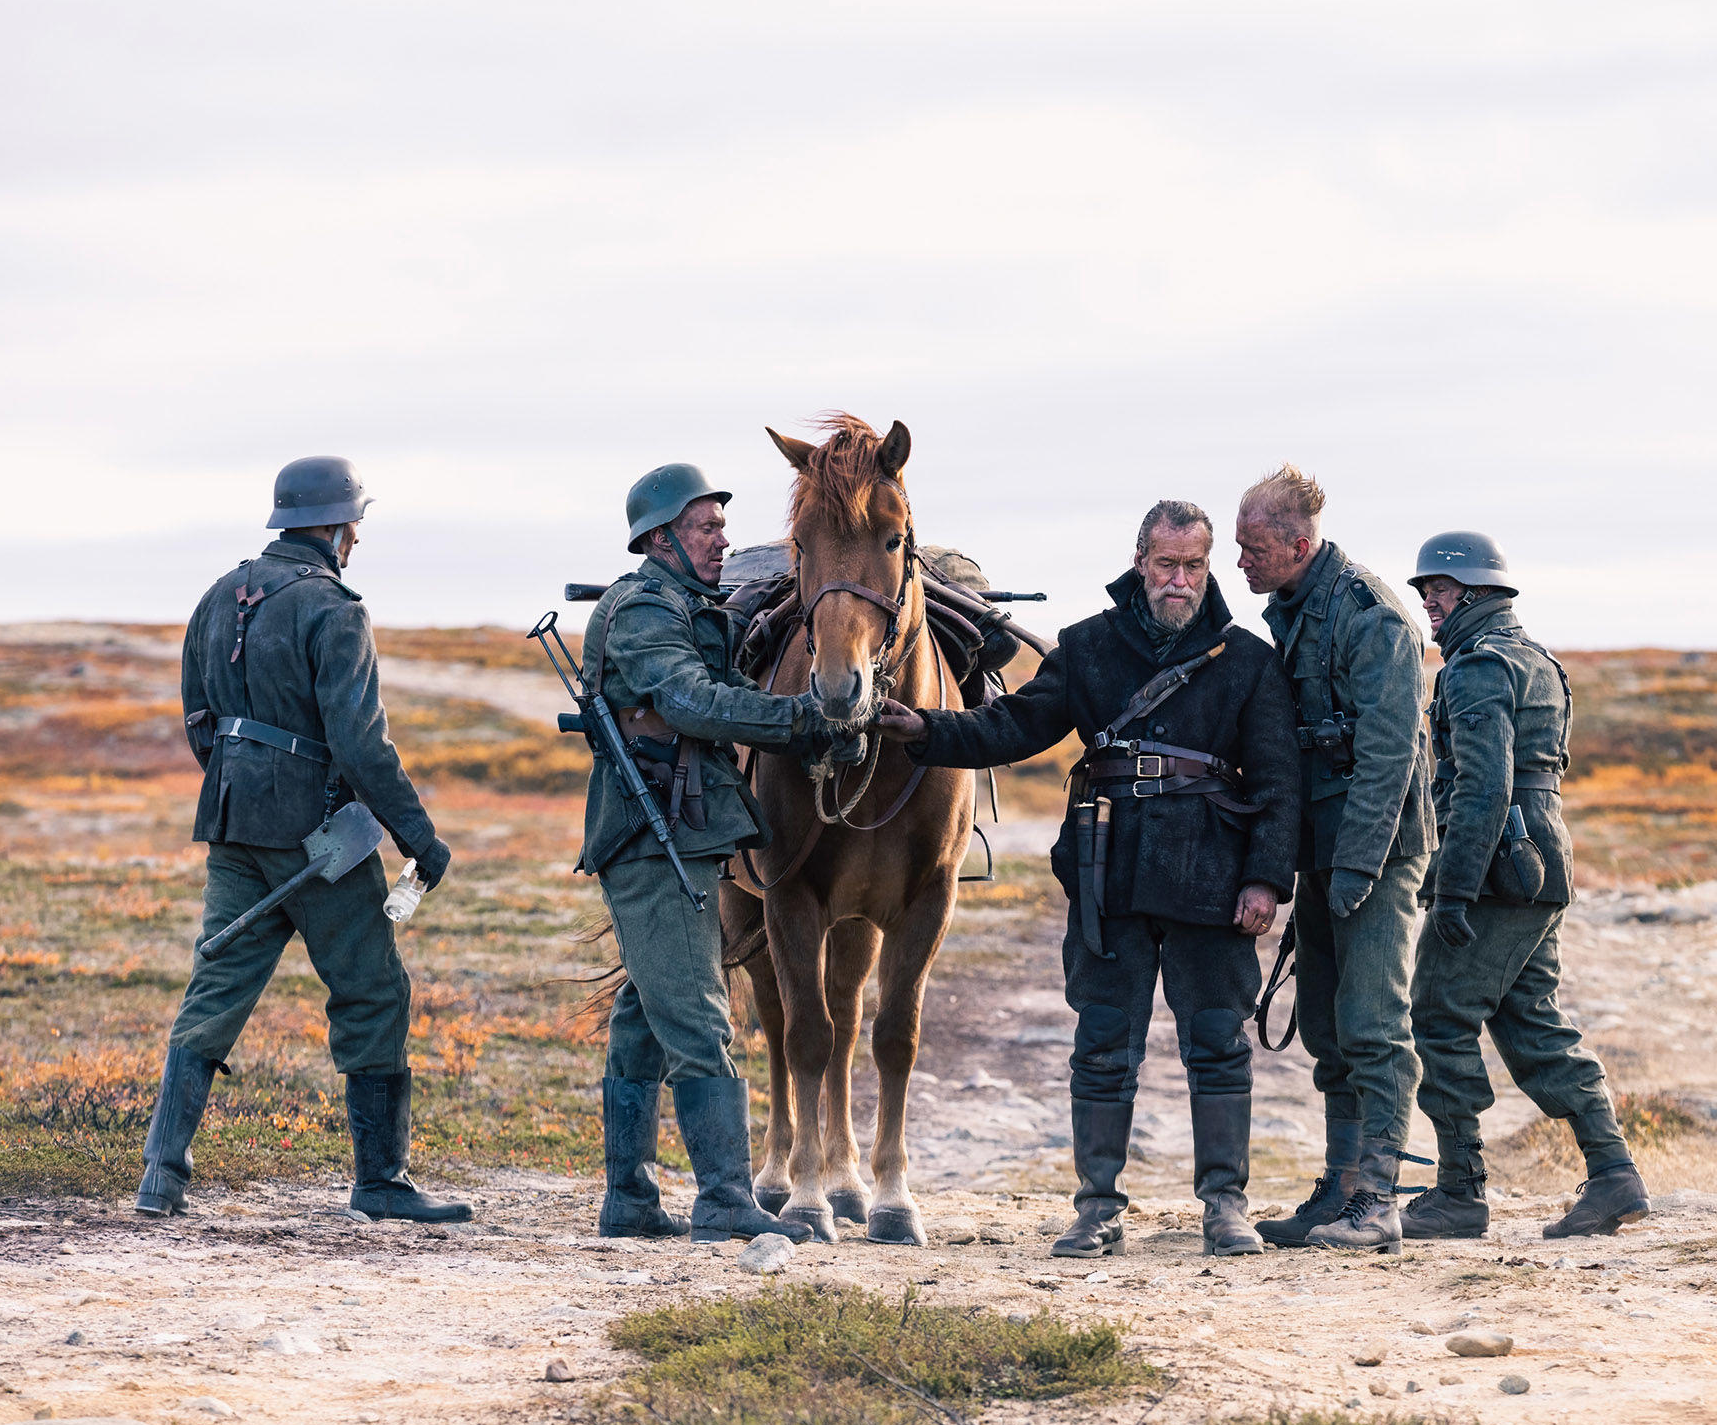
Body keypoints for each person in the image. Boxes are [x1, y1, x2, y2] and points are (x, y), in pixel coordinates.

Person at [879, 501, 1299, 1260]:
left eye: (1194, 566)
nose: (1179, 580)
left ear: (1208, 568)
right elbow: (1013, 727)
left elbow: (1278, 782)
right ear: (1140, 561)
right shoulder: (1088, 648)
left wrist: (1266, 879)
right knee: (1104, 1045)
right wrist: (923, 729)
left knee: (1217, 1044)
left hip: (1213, 877)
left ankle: (1225, 1206)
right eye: (1166, 564)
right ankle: (1097, 1209)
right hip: (1111, 877)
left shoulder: (1247, 661)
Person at [141, 456, 465, 1223]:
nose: (356, 535)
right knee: (372, 992)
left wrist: (239, 787)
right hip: (317, 838)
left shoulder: (219, 595)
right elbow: (362, 747)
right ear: (334, 523)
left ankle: (161, 1172)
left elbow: (198, 720)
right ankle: (380, 1182)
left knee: (216, 985)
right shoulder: (335, 608)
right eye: (354, 521)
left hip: (230, 825)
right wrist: (420, 838)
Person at [578, 463, 844, 1244]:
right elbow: (690, 702)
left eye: (722, 526)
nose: (724, 538)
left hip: (682, 831)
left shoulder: (691, 607)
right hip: (650, 836)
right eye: (707, 526)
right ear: (660, 538)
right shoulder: (644, 610)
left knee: (641, 1017)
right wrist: (801, 720)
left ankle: (628, 1198)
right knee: (698, 1015)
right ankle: (725, 1194)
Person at [1403, 532, 1649, 1239]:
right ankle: (1613, 1176)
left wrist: (1452, 890)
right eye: (1425, 593)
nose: (1429, 604)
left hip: (1497, 868)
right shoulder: (1538, 661)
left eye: (1440, 592)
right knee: (1532, 1022)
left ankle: (1459, 1192)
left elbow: (1481, 789)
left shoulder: (1476, 669)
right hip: (1538, 858)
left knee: (1438, 1014)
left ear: (1477, 594)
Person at [1233, 466, 1435, 1252]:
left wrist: (1355, 871)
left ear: (1297, 544)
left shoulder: (1368, 613)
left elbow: (1388, 754)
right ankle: (1343, 1183)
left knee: (1375, 1024)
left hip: (1373, 853)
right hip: (1322, 847)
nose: (1240, 562)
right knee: (1324, 1023)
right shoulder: (1290, 609)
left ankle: (1379, 1199)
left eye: (1252, 548)